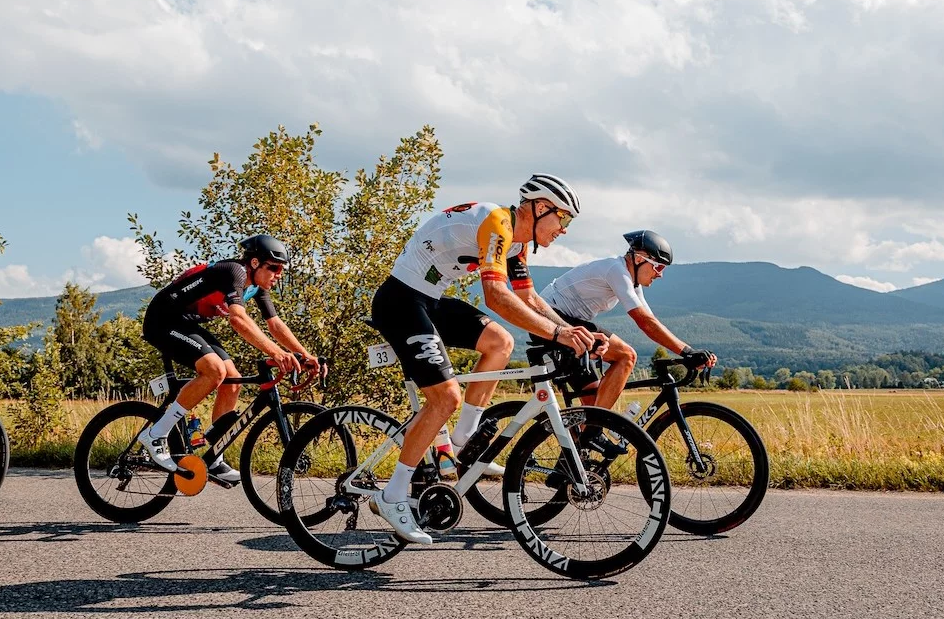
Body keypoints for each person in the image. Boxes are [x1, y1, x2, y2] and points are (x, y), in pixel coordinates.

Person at [367, 174, 605, 544]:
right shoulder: (499, 223)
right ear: (540, 208)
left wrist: (576, 331)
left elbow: (530, 300)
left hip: (429, 299)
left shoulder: (517, 244)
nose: (564, 229)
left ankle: (463, 439)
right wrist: (559, 334)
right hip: (400, 300)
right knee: (445, 397)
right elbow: (495, 296)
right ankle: (393, 494)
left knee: (500, 342)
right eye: (564, 218)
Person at [136, 235, 324, 483]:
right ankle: (156, 434)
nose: (278, 274)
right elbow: (237, 319)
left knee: (233, 379)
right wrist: (276, 353)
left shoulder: (257, 286)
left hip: (187, 323)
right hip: (162, 321)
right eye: (274, 268)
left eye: (281, 269)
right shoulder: (234, 272)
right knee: (214, 370)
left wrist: (305, 355)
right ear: (255, 263)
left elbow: (275, 325)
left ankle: (214, 456)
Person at [538, 229, 717, 412]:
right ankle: (595, 430)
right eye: (659, 267)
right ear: (639, 258)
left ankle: (585, 436)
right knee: (626, 355)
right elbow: (645, 323)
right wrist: (687, 352)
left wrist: (688, 351)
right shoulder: (616, 270)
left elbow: (650, 320)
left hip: (568, 322)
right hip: (552, 319)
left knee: (594, 401)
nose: (660, 274)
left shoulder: (630, 280)